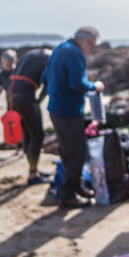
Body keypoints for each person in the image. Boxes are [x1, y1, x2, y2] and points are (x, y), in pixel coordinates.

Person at [43, 27, 105, 209]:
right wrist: (95, 86)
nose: (91, 50)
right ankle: (68, 194)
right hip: (68, 110)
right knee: (75, 152)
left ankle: (77, 187)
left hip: (55, 108)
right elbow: (76, 83)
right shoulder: (75, 53)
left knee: (68, 150)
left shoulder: (59, 48)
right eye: (92, 45)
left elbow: (45, 77)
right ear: (85, 41)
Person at [11, 48, 52, 185]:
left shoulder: (30, 54)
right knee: (38, 134)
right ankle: (33, 175)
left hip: (13, 95)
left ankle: (33, 170)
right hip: (26, 96)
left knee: (28, 133)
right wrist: (38, 101)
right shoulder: (50, 57)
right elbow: (47, 83)